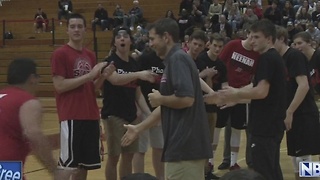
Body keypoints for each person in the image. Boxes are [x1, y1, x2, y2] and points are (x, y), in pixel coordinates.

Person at [121, 18, 212, 180]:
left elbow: (186, 99)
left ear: (166, 37)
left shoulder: (178, 59)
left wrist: (161, 98)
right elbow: (168, 106)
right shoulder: (175, 60)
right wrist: (139, 128)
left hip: (185, 148)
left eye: (152, 39)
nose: (150, 44)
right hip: (182, 148)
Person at [206, 19, 286, 180]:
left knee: (264, 172)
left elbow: (261, 92)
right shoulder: (271, 58)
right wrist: (235, 97)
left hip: (266, 126)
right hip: (271, 125)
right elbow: (257, 90)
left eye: (257, 37)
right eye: (251, 36)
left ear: (269, 39)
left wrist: (235, 94)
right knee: (272, 169)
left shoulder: (268, 59)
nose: (252, 40)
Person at [50, 13, 115, 180]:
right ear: (67, 30)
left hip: (91, 116)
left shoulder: (90, 55)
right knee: (67, 166)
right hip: (71, 115)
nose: (76, 29)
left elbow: (91, 89)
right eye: (73, 26)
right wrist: (90, 75)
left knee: (83, 166)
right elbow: (59, 86)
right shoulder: (60, 54)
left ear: (85, 30)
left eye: (80, 26)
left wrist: (103, 76)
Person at [101, 26, 157, 180]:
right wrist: (140, 74)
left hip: (131, 116)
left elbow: (137, 93)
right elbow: (116, 79)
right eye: (118, 37)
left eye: (125, 36)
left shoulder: (134, 63)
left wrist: (150, 115)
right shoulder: (110, 61)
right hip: (113, 115)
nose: (122, 39)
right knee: (114, 157)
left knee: (128, 156)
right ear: (114, 43)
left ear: (131, 41)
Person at [275, 25, 320, 180]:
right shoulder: (282, 59)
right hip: (294, 114)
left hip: (304, 113)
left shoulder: (294, 56)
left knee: (305, 157)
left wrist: (290, 111)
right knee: (295, 156)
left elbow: (304, 85)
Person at [0, 58, 57, 180]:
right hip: (5, 166)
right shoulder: (27, 101)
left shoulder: (3, 95)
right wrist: (55, 170)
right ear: (32, 78)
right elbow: (33, 134)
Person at [214, 31, 260, 171]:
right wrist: (223, 86)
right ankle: (214, 161)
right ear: (249, 35)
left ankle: (234, 162)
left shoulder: (256, 55)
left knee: (237, 128)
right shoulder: (233, 45)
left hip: (241, 96)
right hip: (224, 91)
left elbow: (253, 77)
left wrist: (240, 94)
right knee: (218, 128)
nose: (254, 41)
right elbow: (220, 65)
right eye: (253, 37)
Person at [196, 33, 226, 180]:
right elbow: (192, 79)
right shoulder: (200, 59)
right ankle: (200, 171)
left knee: (208, 141)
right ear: (209, 44)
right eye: (215, 45)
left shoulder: (221, 65)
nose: (217, 49)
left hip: (212, 108)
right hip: (197, 107)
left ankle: (205, 171)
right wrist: (205, 74)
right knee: (198, 141)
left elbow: (224, 86)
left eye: (220, 47)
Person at [133, 48, 165, 180]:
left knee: (159, 147)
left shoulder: (172, 60)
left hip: (161, 110)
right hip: (144, 108)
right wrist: (140, 107)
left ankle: (161, 178)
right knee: (140, 149)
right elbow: (135, 85)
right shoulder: (145, 58)